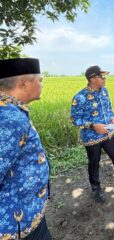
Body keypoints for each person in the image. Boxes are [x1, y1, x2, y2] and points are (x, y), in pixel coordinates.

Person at [0, 58, 52, 239]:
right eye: (40, 80)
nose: (42, 85)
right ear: (23, 83)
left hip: (27, 214)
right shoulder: (8, 119)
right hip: (16, 225)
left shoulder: (10, 110)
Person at [70, 65, 114, 204]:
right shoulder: (80, 97)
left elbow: (109, 109)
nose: (105, 79)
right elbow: (75, 120)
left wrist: (113, 118)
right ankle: (96, 189)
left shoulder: (104, 91)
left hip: (108, 133)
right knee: (94, 162)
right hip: (92, 137)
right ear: (93, 79)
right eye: (102, 76)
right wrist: (93, 125)